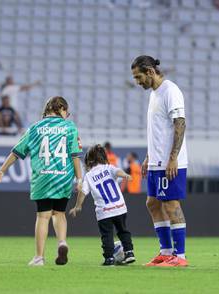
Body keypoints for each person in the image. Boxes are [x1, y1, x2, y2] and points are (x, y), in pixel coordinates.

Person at [0, 96, 83, 266]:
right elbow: (75, 155)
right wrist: (79, 178)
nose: (66, 115)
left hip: (43, 177)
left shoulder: (35, 128)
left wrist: (2, 170)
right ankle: (62, 242)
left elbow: (17, 152)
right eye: (66, 112)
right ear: (60, 108)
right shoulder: (69, 127)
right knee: (59, 213)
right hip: (63, 177)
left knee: (43, 216)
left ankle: (39, 257)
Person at [131, 55, 188, 267]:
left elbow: (180, 124)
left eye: (139, 77)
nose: (137, 82)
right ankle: (165, 252)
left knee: (171, 204)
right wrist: (148, 157)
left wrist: (172, 159)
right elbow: (157, 131)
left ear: (150, 72)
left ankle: (179, 256)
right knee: (153, 203)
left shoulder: (170, 91)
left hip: (170, 163)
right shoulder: (154, 94)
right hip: (156, 161)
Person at [69, 144, 135, 266]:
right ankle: (129, 253)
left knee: (107, 236)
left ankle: (109, 258)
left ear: (88, 161)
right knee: (123, 231)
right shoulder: (109, 168)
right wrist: (125, 175)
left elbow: (83, 192)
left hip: (104, 212)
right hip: (120, 207)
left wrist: (77, 206)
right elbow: (118, 171)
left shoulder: (89, 176)